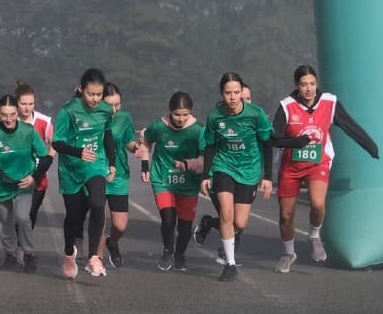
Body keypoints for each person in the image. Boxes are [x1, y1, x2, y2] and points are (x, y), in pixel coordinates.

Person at [271, 64, 380, 273]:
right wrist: (296, 143)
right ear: (297, 86)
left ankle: (314, 236)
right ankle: (288, 253)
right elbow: (274, 139)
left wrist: (370, 146)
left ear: (317, 84)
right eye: (304, 85)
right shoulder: (286, 106)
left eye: (312, 83)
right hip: (291, 166)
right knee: (286, 215)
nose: (309, 89)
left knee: (318, 203)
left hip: (318, 163)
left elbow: (350, 125)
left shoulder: (329, 102)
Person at [198, 72, 275, 281]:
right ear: (222, 93)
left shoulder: (256, 114)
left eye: (236, 92)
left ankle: (207, 223)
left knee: (239, 223)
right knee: (226, 213)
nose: (232, 97)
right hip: (224, 166)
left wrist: (268, 176)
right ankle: (230, 264)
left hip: (249, 170)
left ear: (242, 92)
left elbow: (268, 145)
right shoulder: (215, 115)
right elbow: (211, 145)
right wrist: (206, 175)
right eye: (228, 93)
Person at [52, 68, 118, 279]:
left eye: (98, 94)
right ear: (81, 89)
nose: (95, 99)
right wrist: (78, 152)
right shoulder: (68, 111)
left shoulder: (106, 110)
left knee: (98, 204)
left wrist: (112, 163)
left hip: (95, 164)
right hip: (71, 168)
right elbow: (57, 143)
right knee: (73, 217)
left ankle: (93, 258)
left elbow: (107, 135)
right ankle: (69, 253)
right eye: (91, 94)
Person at [141, 91, 207, 272]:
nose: (181, 118)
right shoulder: (159, 126)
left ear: (191, 112)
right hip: (163, 179)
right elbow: (145, 141)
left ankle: (180, 254)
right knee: (168, 219)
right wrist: (145, 165)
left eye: (185, 114)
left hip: (188, 184)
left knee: (185, 226)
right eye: (177, 114)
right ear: (170, 111)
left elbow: (205, 159)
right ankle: (167, 250)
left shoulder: (199, 130)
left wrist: (195, 170)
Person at [0, 94, 50, 273]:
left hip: (24, 184)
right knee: (4, 222)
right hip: (1, 185)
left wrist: (34, 177)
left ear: (17, 112)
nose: (9, 119)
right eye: (4, 115)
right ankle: (10, 254)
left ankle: (28, 254)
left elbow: (45, 158)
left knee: (23, 217)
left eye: (12, 114)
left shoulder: (28, 131)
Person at [99, 82, 138, 268]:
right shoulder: (92, 118)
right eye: (110, 105)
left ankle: (112, 242)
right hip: (96, 173)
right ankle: (96, 259)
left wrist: (136, 148)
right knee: (99, 219)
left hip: (119, 175)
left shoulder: (124, 117)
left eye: (118, 104)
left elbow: (129, 141)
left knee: (120, 225)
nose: (114, 109)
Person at [16, 83, 54, 229]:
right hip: (15, 177)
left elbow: (54, 143)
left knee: (29, 214)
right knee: (17, 216)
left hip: (38, 178)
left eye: (31, 103)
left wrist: (48, 159)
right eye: (23, 103)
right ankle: (18, 246)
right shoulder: (9, 120)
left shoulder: (44, 121)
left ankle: (24, 248)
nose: (27, 107)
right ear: (16, 103)